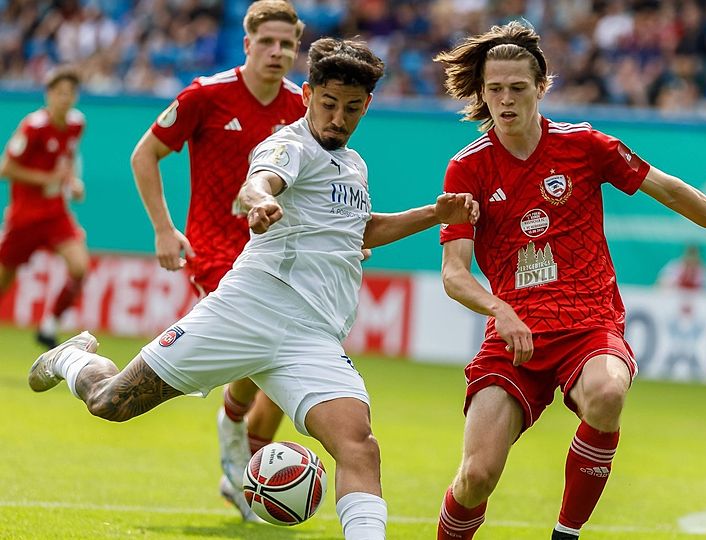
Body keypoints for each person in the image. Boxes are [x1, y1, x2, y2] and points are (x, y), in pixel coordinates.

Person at [29, 37, 479, 540]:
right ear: (307, 94)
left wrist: (434, 214)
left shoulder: (354, 165)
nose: (338, 118)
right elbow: (260, 180)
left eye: (352, 109)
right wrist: (260, 199)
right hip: (246, 312)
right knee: (111, 403)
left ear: (367, 106)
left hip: (314, 337)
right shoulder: (290, 144)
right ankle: (72, 358)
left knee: (359, 446)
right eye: (328, 104)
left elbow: (359, 229)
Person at [432, 21, 706, 540]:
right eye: (494, 90)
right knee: (475, 478)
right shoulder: (467, 169)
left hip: (588, 322)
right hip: (516, 335)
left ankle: (566, 533)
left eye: (517, 88)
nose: (505, 100)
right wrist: (500, 310)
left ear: (541, 87)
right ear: (481, 92)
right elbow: (454, 274)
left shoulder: (583, 145)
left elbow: (667, 189)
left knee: (606, 392)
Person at [128, 0, 305, 520]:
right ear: (247, 44)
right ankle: (235, 441)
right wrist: (164, 229)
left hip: (278, 254)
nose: (277, 52)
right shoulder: (207, 95)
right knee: (263, 354)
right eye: (267, 42)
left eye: (287, 44)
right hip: (216, 253)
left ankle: (247, 474)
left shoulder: (303, 107)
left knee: (282, 366)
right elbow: (144, 155)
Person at [0, 66, 88, 350]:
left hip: (54, 213)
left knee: (80, 266)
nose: (65, 98)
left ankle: (49, 326)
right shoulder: (34, 126)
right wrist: (47, 179)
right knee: (4, 280)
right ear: (49, 95)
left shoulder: (76, 124)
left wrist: (72, 182)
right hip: (25, 216)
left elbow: (68, 158)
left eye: (70, 93)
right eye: (59, 92)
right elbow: (6, 168)